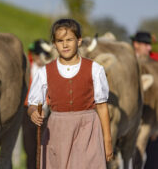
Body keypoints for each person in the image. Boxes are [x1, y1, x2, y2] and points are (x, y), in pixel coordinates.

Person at [27, 18, 113, 169]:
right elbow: (33, 104)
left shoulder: (95, 69)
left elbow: (102, 106)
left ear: (79, 41)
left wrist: (107, 140)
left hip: (88, 129)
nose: (65, 44)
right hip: (58, 130)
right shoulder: (44, 73)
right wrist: (33, 112)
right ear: (54, 44)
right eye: (60, 41)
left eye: (69, 40)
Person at [23, 39, 55, 169]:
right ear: (35, 55)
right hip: (28, 112)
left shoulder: (50, 69)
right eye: (41, 55)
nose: (43, 58)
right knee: (30, 149)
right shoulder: (27, 68)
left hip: (47, 112)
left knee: (45, 147)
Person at [132, 31, 158, 169]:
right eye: (145, 44)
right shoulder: (127, 63)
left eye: (149, 45)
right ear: (135, 44)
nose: (149, 48)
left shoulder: (154, 63)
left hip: (149, 120)